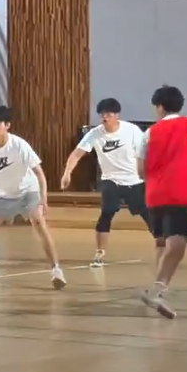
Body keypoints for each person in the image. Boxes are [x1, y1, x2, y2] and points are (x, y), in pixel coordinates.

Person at [0, 105, 66, 287]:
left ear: (7, 125)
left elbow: (39, 173)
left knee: (38, 223)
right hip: (4, 195)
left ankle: (56, 270)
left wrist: (43, 199)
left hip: (28, 191)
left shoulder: (19, 145)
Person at [137, 85, 187, 318]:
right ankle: (158, 290)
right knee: (177, 244)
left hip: (154, 195)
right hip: (182, 192)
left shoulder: (149, 133)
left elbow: (140, 170)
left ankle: (155, 287)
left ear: (160, 107)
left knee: (162, 242)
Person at [60, 97, 148, 267]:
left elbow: (145, 153)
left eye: (109, 114)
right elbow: (76, 154)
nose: (105, 118)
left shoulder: (132, 131)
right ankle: (100, 252)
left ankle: (163, 246)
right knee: (106, 212)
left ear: (117, 115)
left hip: (134, 180)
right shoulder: (95, 134)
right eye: (102, 114)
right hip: (110, 180)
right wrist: (67, 173)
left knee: (148, 215)